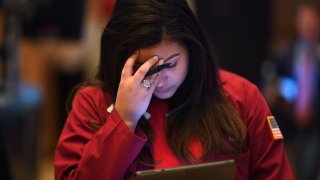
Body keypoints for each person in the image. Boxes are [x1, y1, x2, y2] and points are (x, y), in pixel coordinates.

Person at [54, 0, 294, 179]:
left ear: (193, 49)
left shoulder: (241, 97)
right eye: (146, 68)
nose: (160, 79)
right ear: (121, 58)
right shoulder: (93, 102)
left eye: (171, 64)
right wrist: (123, 120)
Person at [261, 1, 320, 179]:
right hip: (289, 122)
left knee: (308, 171)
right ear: (297, 23)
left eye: (312, 20)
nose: (308, 25)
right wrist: (273, 90)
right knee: (289, 168)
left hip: (315, 124)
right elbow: (269, 77)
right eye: (304, 20)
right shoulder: (287, 53)